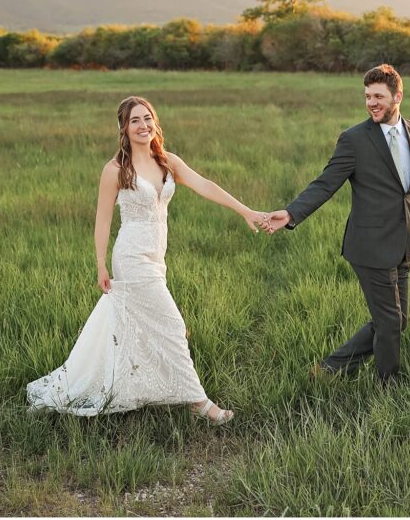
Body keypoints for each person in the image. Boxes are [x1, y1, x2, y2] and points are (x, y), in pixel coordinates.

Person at [27, 95, 268, 423]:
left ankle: (133, 386)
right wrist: (100, 263)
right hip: (130, 257)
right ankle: (199, 403)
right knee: (173, 324)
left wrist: (246, 211)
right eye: (135, 121)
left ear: (156, 123)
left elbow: (205, 186)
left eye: (147, 119)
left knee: (142, 329)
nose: (143, 126)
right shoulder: (115, 170)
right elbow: (102, 220)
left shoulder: (168, 162)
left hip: (157, 259)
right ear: (124, 129)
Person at [264, 64, 410, 385]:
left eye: (378, 96)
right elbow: (326, 183)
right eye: (367, 97)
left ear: (398, 96)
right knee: (390, 320)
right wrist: (292, 212)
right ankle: (388, 386)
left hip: (403, 243)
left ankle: (331, 369)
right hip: (368, 245)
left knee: (396, 320)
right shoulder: (354, 139)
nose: (371, 103)